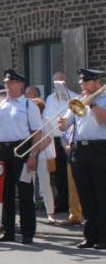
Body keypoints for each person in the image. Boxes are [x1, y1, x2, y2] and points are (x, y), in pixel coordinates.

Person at [0, 69, 43, 244]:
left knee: (25, 191)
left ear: (20, 84)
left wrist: (33, 155)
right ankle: (7, 230)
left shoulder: (28, 105)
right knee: (4, 193)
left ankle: (27, 231)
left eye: (11, 83)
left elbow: (37, 132)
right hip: (2, 150)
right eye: (6, 83)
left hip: (22, 148)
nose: (7, 86)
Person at [58, 68, 106, 249]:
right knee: (85, 195)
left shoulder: (103, 99)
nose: (82, 86)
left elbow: (104, 120)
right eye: (81, 83)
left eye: (85, 82)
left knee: (102, 194)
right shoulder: (79, 101)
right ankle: (90, 235)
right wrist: (62, 123)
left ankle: (104, 236)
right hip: (80, 150)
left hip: (100, 149)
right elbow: (65, 126)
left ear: (96, 82)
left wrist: (91, 104)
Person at [44, 71, 77, 214]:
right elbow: (46, 116)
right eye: (55, 82)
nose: (57, 84)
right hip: (54, 139)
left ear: (65, 81)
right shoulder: (50, 98)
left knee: (70, 173)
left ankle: (74, 205)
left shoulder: (74, 97)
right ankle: (61, 202)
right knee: (58, 173)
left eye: (60, 81)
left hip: (68, 138)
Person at [32, 98, 56, 224]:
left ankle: (50, 213)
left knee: (45, 184)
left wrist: (35, 151)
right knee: (28, 185)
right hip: (30, 156)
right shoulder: (28, 121)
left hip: (42, 157)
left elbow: (48, 139)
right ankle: (29, 214)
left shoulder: (45, 121)